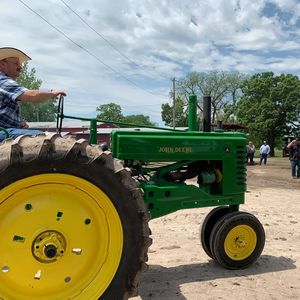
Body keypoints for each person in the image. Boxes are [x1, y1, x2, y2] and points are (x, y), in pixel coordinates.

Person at [0, 47, 66, 141]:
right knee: (43, 137)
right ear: (2, 64)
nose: (20, 67)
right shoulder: (3, 81)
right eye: (16, 63)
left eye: (19, 64)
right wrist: (52, 94)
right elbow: (32, 95)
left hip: (5, 130)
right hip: (3, 131)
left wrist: (19, 124)